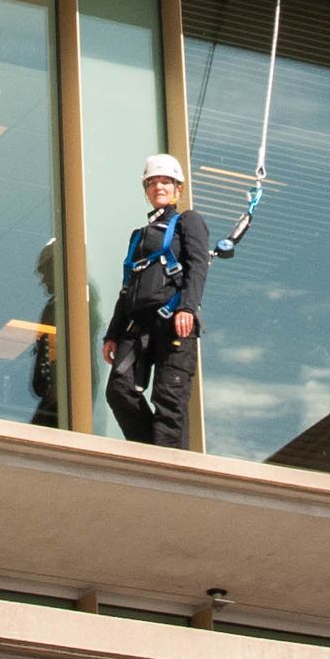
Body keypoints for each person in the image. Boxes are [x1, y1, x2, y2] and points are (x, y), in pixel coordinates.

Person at [103, 153, 209, 447]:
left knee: (168, 396)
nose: (158, 187)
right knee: (118, 390)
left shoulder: (189, 221)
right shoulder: (139, 236)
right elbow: (128, 287)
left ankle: (171, 466)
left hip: (173, 322)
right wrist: (113, 333)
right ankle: (153, 451)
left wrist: (187, 306)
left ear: (178, 189)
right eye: (152, 183)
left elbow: (199, 265)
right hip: (138, 326)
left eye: (165, 182)